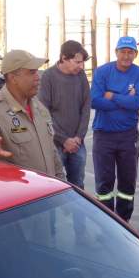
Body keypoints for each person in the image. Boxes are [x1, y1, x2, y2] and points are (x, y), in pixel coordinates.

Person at [0, 49, 65, 179]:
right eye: (32, 72)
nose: (38, 77)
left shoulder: (38, 107)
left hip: (46, 193)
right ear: (13, 78)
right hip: (20, 193)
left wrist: (62, 183)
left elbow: (52, 152)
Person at [91, 36, 139, 221]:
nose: (126, 55)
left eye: (130, 52)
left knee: (127, 183)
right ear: (116, 52)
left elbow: (138, 103)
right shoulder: (102, 72)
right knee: (104, 183)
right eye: (122, 51)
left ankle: (124, 221)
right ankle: (106, 221)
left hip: (128, 136)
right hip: (103, 135)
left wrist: (112, 96)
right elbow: (95, 100)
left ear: (135, 54)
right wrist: (125, 99)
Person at [38, 40, 91, 188]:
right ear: (63, 58)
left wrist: (78, 138)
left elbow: (86, 108)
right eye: (77, 62)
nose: (81, 66)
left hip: (77, 144)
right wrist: (63, 140)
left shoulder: (81, 77)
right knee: (54, 186)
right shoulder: (48, 77)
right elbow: (44, 113)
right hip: (55, 144)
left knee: (78, 186)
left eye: (82, 63)